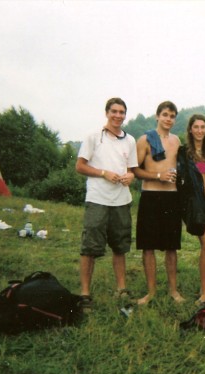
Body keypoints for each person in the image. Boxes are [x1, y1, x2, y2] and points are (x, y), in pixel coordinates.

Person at [75, 97, 137, 311]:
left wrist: (130, 177)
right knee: (90, 247)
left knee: (120, 246)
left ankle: (121, 288)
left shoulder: (130, 141)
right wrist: (103, 173)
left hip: (121, 201)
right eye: (114, 111)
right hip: (97, 199)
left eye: (122, 112)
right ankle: (85, 293)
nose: (118, 116)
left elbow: (132, 170)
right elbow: (80, 166)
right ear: (107, 113)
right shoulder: (93, 137)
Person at [133, 101, 184, 304]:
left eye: (172, 116)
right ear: (157, 116)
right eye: (165, 115)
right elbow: (135, 170)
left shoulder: (176, 140)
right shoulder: (145, 139)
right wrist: (158, 175)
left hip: (172, 197)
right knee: (149, 246)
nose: (168, 119)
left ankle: (173, 290)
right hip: (151, 197)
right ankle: (151, 292)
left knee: (171, 247)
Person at [176, 114, 205, 306]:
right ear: (191, 130)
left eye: (203, 127)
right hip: (196, 204)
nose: (200, 130)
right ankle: (203, 293)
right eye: (196, 127)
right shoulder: (184, 153)